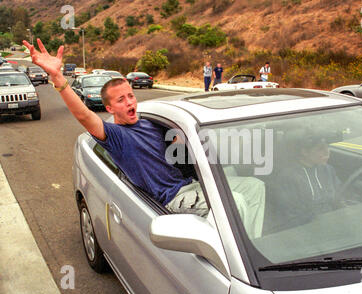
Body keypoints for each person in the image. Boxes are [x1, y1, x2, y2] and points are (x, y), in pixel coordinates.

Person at [23, 39, 266, 239]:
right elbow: (84, 116)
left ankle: (250, 244)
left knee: (255, 187)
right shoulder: (117, 136)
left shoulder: (153, 121)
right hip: (174, 198)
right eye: (121, 100)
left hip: (193, 184)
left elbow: (182, 143)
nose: (129, 102)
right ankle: (235, 266)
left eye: (130, 96)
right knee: (237, 205)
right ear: (109, 108)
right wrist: (59, 79)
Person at [273, 127, 341, 227]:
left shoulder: (328, 170)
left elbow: (339, 199)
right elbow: (292, 217)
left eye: (327, 147)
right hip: (309, 229)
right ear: (304, 152)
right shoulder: (288, 177)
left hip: (334, 223)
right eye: (320, 149)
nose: (327, 152)